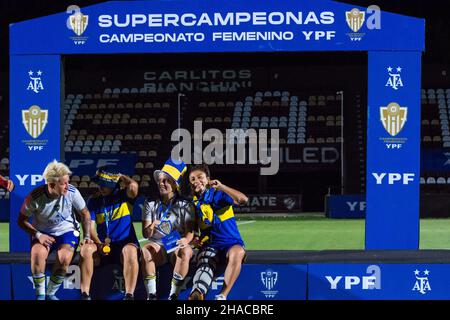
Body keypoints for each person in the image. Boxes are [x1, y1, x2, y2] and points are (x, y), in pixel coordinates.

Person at [17, 160, 93, 300]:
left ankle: (50, 293)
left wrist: (87, 235)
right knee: (37, 254)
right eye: (63, 183)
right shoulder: (34, 197)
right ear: (52, 184)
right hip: (42, 232)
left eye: (68, 181)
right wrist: (38, 234)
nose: (67, 186)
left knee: (64, 258)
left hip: (67, 231)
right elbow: (21, 221)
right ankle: (40, 296)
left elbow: (85, 213)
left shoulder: (72, 192)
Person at [188, 164, 248, 300]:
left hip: (231, 243)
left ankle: (222, 295)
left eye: (199, 177)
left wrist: (221, 186)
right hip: (210, 245)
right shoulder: (193, 204)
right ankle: (197, 292)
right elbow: (193, 232)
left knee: (237, 252)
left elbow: (243, 200)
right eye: (192, 179)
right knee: (205, 259)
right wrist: (194, 240)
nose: (196, 181)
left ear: (208, 179)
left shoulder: (219, 195)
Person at [79, 166, 140, 300]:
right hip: (101, 247)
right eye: (100, 183)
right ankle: (85, 294)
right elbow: (91, 227)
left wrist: (120, 176)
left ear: (114, 184)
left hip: (124, 245)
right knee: (86, 249)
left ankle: (129, 295)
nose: (101, 187)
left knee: (130, 250)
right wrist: (99, 244)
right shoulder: (93, 200)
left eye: (105, 184)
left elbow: (134, 186)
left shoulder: (124, 196)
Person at [141, 158, 195, 300]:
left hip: (175, 244)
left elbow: (190, 232)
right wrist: (152, 225)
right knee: (146, 250)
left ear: (175, 184)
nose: (161, 183)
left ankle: (173, 295)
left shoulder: (185, 204)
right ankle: (151, 295)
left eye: (166, 181)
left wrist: (185, 240)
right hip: (157, 244)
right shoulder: (150, 202)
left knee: (186, 251)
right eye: (160, 180)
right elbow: (145, 234)